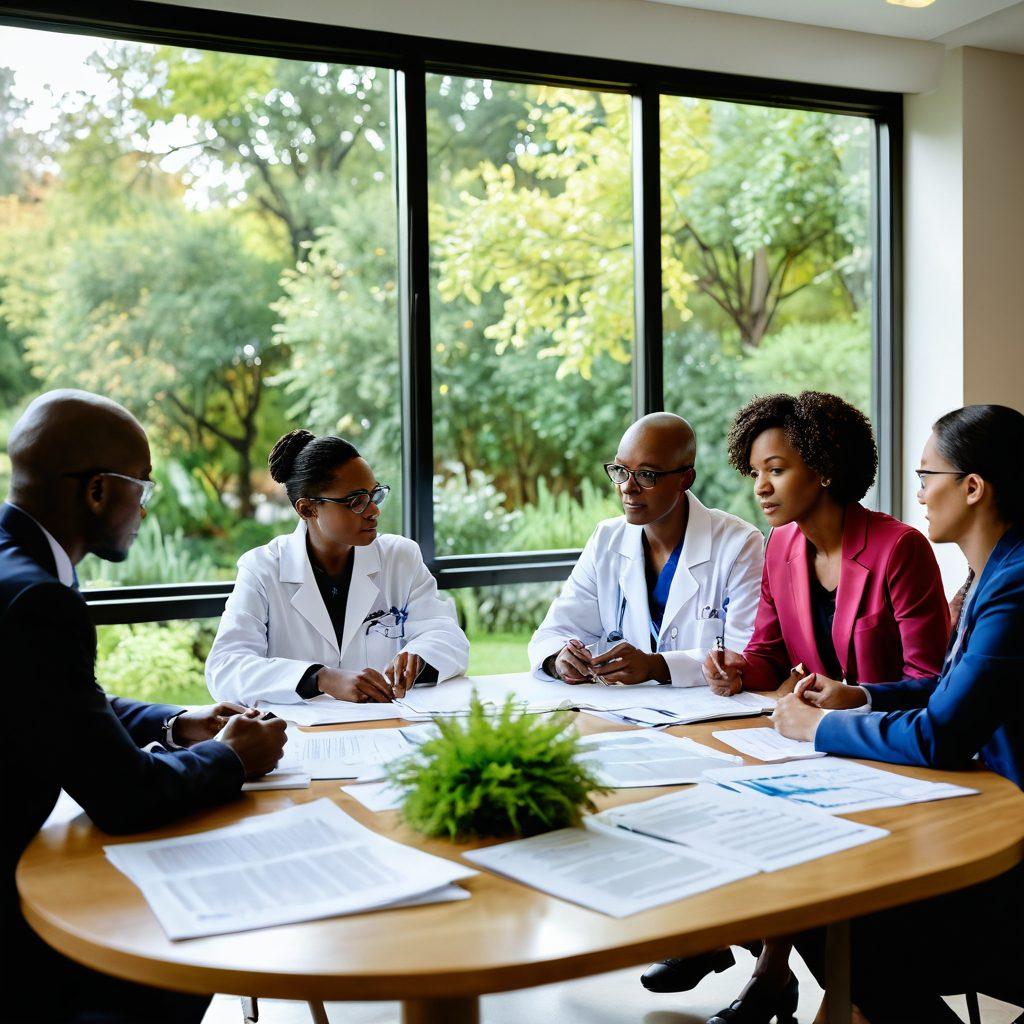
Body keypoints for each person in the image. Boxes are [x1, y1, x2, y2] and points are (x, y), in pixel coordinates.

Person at [642, 392, 950, 1024]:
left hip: (891, 752)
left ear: (825, 468)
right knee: (717, 787)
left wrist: (854, 700)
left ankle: (768, 969)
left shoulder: (899, 548)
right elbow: (767, 651)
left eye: (776, 469)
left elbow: (931, 680)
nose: (761, 486)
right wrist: (734, 667)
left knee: (776, 814)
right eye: (754, 472)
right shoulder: (780, 546)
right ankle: (758, 962)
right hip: (815, 742)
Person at [2, 389, 287, 1024]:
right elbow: (126, 798)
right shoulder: (37, 603)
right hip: (14, 935)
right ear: (99, 491)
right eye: (143, 487)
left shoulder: (13, 567)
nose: (144, 509)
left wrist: (175, 722)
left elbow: (59, 701)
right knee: (193, 928)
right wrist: (231, 755)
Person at [774, 404, 1024, 1023]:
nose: (917, 493)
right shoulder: (994, 572)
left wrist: (821, 727)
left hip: (1013, 863)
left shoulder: (1017, 585)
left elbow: (942, 733)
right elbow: (948, 687)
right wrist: (857, 695)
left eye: (925, 475)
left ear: (972, 487)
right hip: (988, 814)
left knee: (827, 908)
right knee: (825, 903)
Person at [206, 429, 469, 706]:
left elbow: (447, 635)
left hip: (384, 725)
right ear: (307, 509)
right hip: (295, 736)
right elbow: (225, 667)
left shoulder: (399, 557)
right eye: (356, 501)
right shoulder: (262, 569)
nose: (373, 511)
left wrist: (418, 658)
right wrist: (322, 678)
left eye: (374, 495)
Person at [528, 412, 764, 688]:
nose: (628, 487)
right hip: (625, 713)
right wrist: (559, 658)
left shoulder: (738, 543)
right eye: (620, 471)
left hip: (710, 717)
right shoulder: (607, 540)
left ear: (685, 479)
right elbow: (554, 631)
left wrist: (657, 666)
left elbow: (745, 656)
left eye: (646, 475)